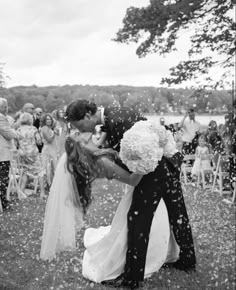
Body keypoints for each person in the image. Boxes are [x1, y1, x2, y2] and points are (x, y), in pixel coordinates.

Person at [65, 100, 196, 288]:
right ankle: (188, 260)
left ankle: (132, 278)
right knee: (178, 213)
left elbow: (144, 150)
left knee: (137, 221)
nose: (82, 130)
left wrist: (135, 170)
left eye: (79, 125)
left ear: (87, 115)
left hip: (152, 171)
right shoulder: (114, 113)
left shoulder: (117, 121)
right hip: (166, 166)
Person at [0, 98, 19, 211]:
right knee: (2, 179)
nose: (7, 108)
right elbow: (7, 133)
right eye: (5, 106)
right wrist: (17, 133)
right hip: (1, 153)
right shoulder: (1, 117)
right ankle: (3, 202)